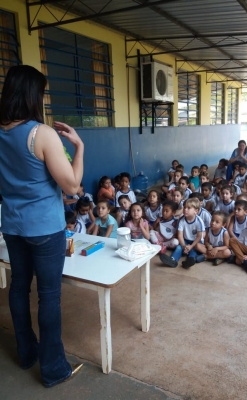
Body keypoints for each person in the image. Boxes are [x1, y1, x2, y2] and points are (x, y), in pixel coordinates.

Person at [0, 65, 84, 387]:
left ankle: (26, 353)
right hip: (44, 229)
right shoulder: (42, 133)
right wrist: (79, 147)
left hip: (13, 225)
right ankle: (54, 369)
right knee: (49, 296)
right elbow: (73, 186)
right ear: (33, 95)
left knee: (19, 286)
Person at [159, 198, 206, 269]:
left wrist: (191, 246)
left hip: (196, 241)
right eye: (184, 207)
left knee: (194, 249)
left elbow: (199, 236)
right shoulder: (181, 220)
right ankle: (173, 260)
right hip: (185, 240)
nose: (185, 209)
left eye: (189, 208)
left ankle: (190, 260)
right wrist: (184, 246)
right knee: (179, 247)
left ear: (196, 211)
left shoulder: (199, 221)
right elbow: (180, 235)